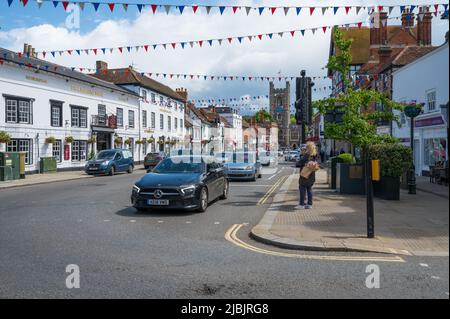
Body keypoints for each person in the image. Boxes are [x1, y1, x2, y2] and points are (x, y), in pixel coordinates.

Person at [295, 142, 318, 210]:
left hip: (305, 175)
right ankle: (309, 204)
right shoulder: (314, 155)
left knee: (302, 189)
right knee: (309, 189)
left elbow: (299, 163)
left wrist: (298, 161)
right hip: (312, 175)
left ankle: (301, 204)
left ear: (308, 148)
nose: (305, 148)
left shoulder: (306, 155)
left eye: (306, 147)